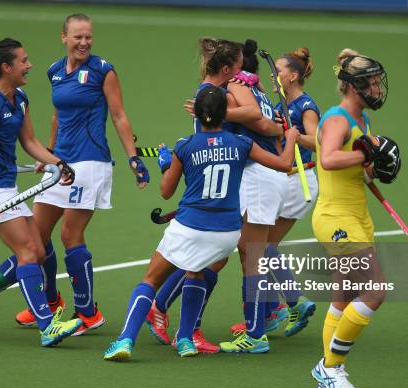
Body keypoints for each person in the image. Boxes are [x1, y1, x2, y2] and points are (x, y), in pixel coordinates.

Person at [0, 13, 149, 337]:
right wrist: (52, 156)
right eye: (77, 37)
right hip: (62, 164)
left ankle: (87, 313)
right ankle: (39, 303)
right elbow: (56, 119)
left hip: (89, 163)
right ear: (64, 38)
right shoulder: (54, 73)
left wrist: (132, 157)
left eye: (88, 36)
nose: (84, 42)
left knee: (68, 236)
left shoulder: (102, 70)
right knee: (36, 243)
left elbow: (119, 115)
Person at [104, 85, 299, 361]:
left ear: (197, 113)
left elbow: (166, 192)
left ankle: (125, 340)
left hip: (190, 227)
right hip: (227, 233)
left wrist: (165, 163)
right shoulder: (242, 144)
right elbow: (284, 164)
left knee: (150, 280)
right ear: (226, 115)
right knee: (195, 272)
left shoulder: (185, 146)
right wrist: (289, 137)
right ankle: (185, 339)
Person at [145, 38, 282, 353]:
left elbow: (252, 118)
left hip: (223, 180)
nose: (241, 71)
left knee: (215, 259)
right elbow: (253, 119)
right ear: (226, 68)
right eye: (236, 66)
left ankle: (174, 317)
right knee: (213, 260)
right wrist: (278, 132)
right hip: (216, 183)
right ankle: (176, 318)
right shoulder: (214, 94)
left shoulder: (218, 92)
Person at [0, 38, 82, 347]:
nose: (30, 65)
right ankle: (47, 327)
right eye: (24, 61)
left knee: (38, 252)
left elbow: (30, 142)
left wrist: (57, 162)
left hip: (6, 186)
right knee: (27, 253)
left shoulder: (20, 98)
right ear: (6, 67)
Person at [310, 48, 400, 388]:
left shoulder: (362, 122)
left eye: (378, 82)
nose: (378, 89)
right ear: (353, 87)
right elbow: (329, 158)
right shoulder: (337, 120)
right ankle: (330, 368)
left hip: (356, 215)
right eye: (372, 84)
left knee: (344, 295)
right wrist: (366, 154)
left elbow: (357, 171)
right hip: (336, 219)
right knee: (375, 290)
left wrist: (374, 167)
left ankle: (326, 380)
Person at [230, 47, 320, 337]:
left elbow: (316, 141)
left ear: (293, 75)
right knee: (261, 247)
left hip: (298, 178)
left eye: (279, 71)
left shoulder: (305, 105)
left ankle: (294, 301)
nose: (274, 75)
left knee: (261, 247)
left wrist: (290, 135)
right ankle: (272, 311)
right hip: (286, 177)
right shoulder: (280, 105)